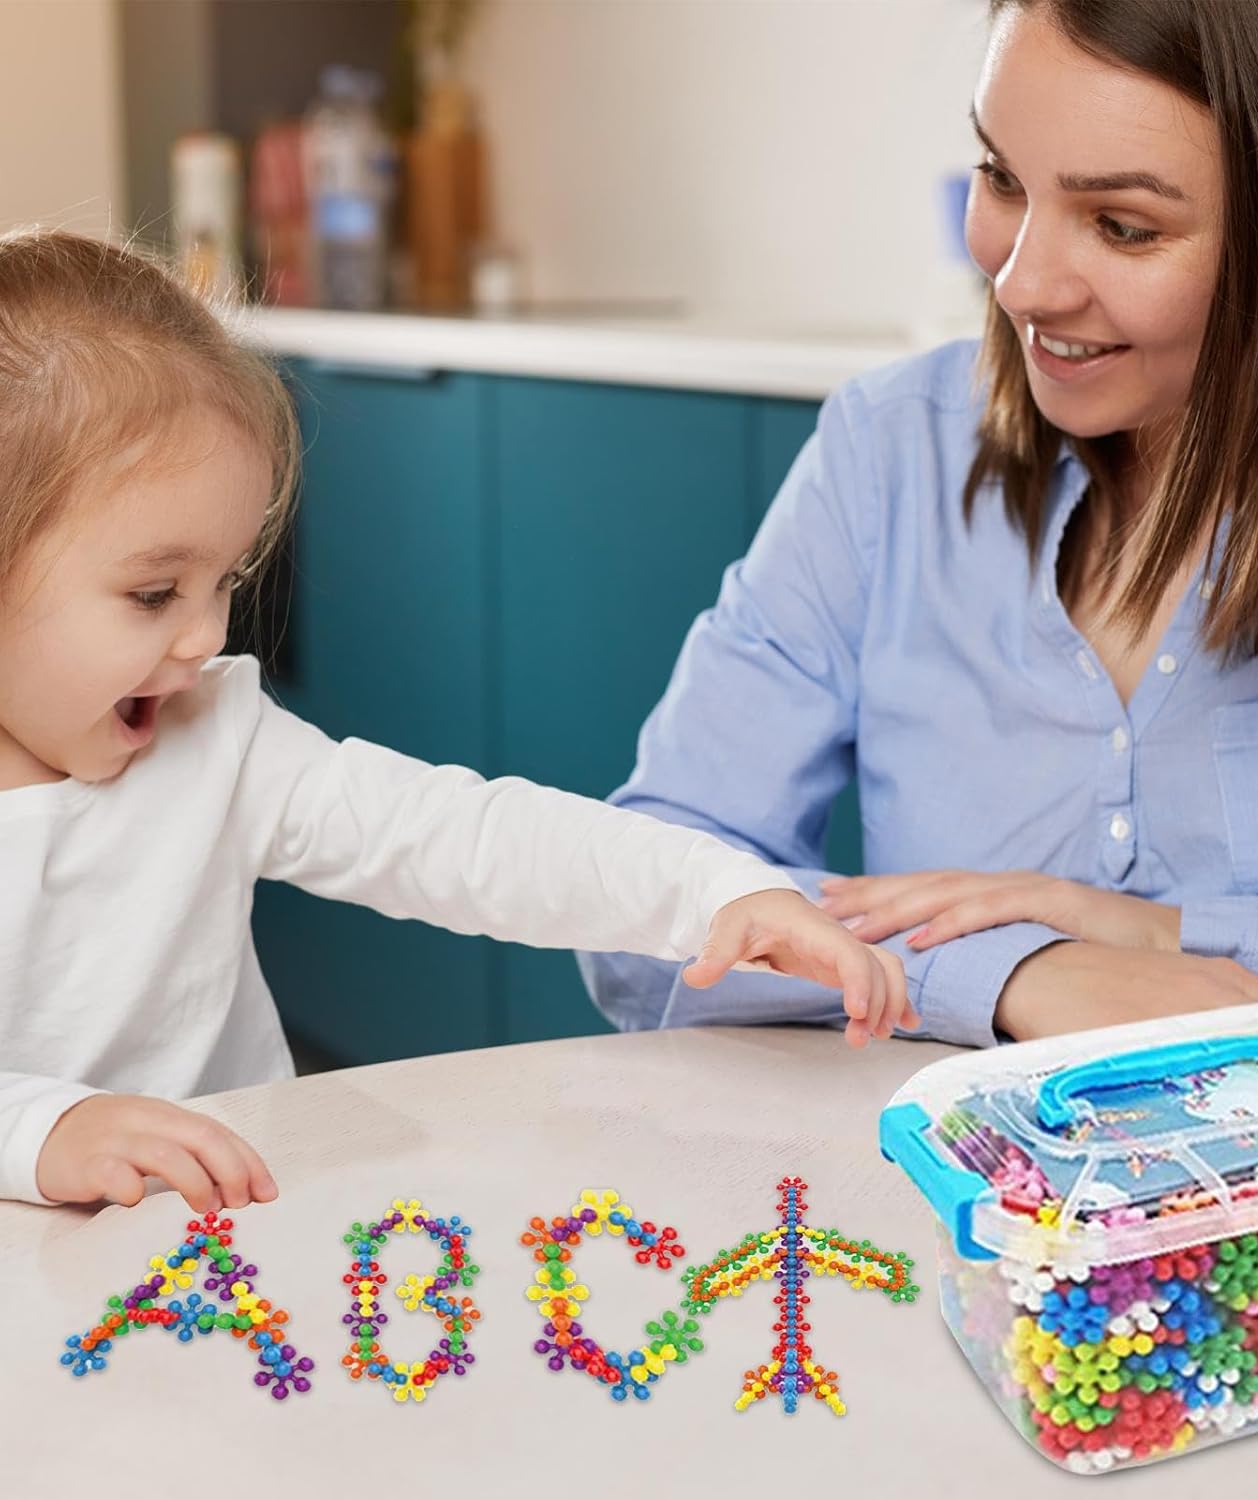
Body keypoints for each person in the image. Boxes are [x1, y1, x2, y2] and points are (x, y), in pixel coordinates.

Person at [581, 0, 1258, 1059]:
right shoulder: (891, 453)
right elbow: (639, 912)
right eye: (1003, 178)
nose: (1020, 284)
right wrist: (1017, 971)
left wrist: (1167, 937)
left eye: (1124, 226)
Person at [0, 229, 915, 1214]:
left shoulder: (216, 738)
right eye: (152, 594)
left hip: (228, 1246)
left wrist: (718, 889)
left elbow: (470, 837)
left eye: (225, 580)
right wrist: (43, 1131)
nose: (206, 636)